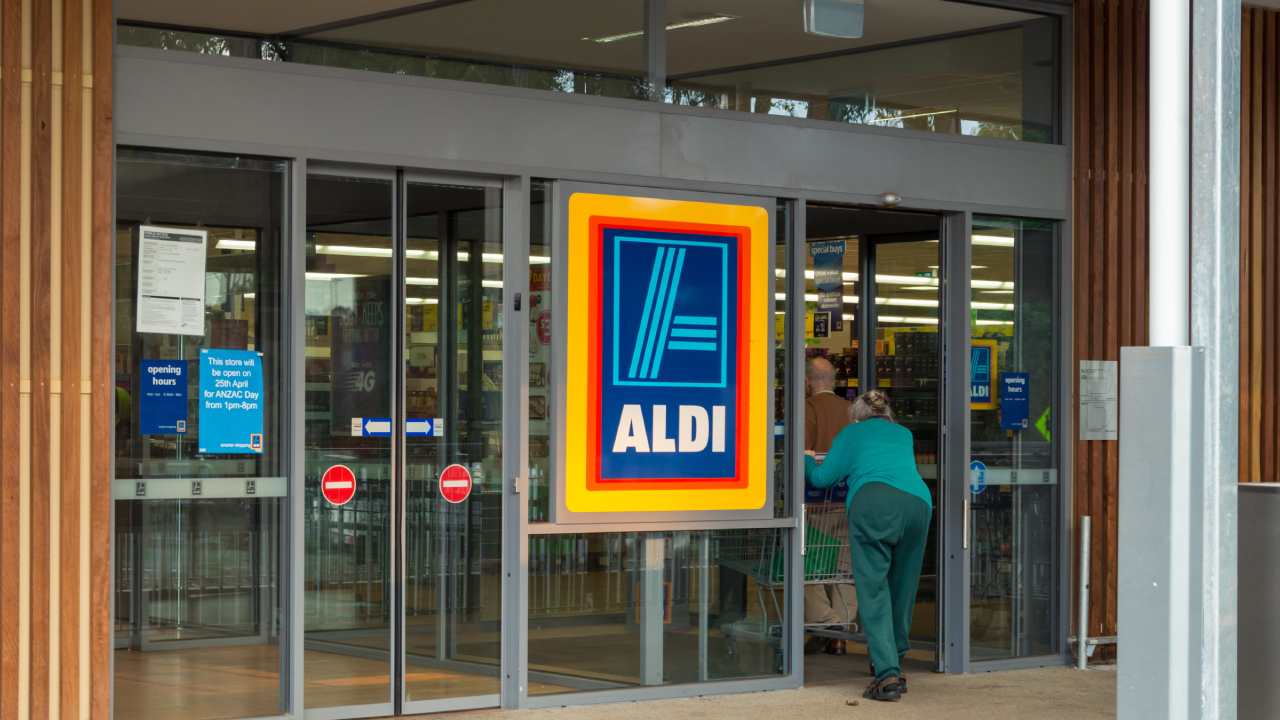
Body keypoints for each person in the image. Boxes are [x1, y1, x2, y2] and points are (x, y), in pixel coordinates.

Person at [805, 390, 932, 703]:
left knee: (873, 588)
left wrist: (806, 459)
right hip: (918, 504)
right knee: (903, 588)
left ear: (856, 415)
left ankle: (887, 674)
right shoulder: (903, 434)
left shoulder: (852, 434)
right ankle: (894, 659)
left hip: (874, 504)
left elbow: (822, 478)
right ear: (887, 413)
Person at [802, 356, 856, 655]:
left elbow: (802, 454)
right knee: (844, 568)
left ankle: (826, 623)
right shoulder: (851, 411)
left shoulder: (807, 409)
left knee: (811, 566)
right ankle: (842, 631)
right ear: (834, 380)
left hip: (815, 503)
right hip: (847, 500)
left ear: (807, 381)